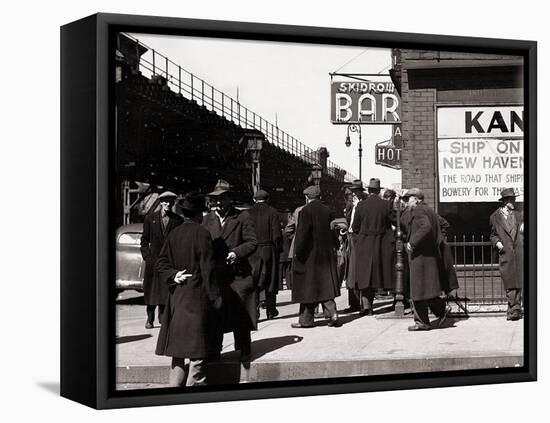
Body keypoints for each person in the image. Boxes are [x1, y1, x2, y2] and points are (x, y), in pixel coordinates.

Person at [154, 193, 222, 386]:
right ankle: (194, 392)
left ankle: (173, 391)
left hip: (177, 298)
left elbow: (161, 262)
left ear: (184, 213)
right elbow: (208, 270)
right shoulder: (203, 234)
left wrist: (174, 275)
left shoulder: (174, 233)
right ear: (199, 214)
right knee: (197, 352)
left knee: (177, 352)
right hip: (197, 298)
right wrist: (216, 298)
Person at [202, 179, 258, 362]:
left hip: (237, 275)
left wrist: (236, 253)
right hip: (217, 275)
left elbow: (252, 242)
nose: (218, 203)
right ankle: (214, 350)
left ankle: (244, 348)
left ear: (229, 200)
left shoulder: (242, 217)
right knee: (216, 314)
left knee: (240, 313)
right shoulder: (207, 219)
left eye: (222, 199)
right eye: (215, 200)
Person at [291, 185, 341, 328]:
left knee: (308, 287)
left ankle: (306, 320)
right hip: (326, 254)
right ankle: (332, 314)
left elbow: (302, 235)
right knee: (326, 285)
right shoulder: (327, 210)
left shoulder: (305, 211)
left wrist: (298, 253)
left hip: (310, 255)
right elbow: (333, 231)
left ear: (307, 197)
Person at [405, 188, 451, 331]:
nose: (407, 202)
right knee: (429, 289)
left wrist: (412, 242)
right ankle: (442, 311)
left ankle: (422, 322)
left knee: (418, 290)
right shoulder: (429, 210)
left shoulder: (418, 210)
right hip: (430, 256)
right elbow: (440, 225)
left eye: (409, 199)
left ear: (416, 199)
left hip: (420, 257)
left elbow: (426, 227)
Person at [140, 191, 183, 329]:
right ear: (160, 202)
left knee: (165, 289)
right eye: (165, 201)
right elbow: (144, 240)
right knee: (151, 290)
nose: (168, 204)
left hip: (169, 261)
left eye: (171, 201)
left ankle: (163, 318)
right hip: (153, 261)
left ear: (174, 202)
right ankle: (150, 318)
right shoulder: (150, 218)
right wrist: (147, 256)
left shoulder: (178, 220)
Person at [352, 178, 393, 315]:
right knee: (377, 274)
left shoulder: (361, 206)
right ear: (378, 191)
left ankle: (366, 306)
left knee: (364, 275)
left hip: (364, 244)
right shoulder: (386, 205)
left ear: (369, 191)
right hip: (380, 244)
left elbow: (355, 226)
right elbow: (391, 223)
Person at [490, 187, 524, 321]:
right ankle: (514, 308)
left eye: (514, 199)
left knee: (519, 281)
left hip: (519, 252)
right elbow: (492, 235)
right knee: (509, 281)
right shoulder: (495, 217)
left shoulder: (518, 215)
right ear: (505, 201)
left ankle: (514, 309)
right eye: (511, 199)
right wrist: (498, 243)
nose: (514, 202)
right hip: (506, 253)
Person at [248, 189, 282, 320]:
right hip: (269, 249)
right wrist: (277, 249)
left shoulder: (247, 213)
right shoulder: (273, 212)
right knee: (270, 280)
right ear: (267, 199)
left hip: (252, 250)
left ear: (254, 199)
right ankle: (271, 310)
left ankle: (255, 311)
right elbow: (277, 235)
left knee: (254, 280)